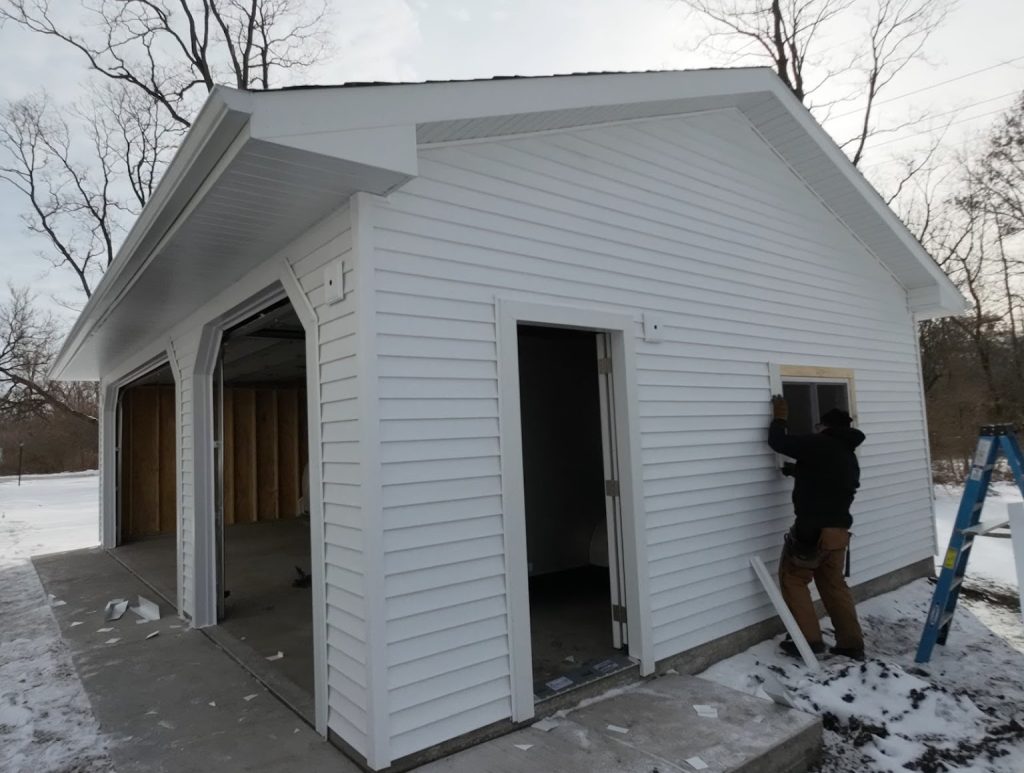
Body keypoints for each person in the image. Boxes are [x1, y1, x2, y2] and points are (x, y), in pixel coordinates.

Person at [768, 395, 866, 660]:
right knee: (834, 585)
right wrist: (798, 471)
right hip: (838, 533)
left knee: (794, 579)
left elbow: (778, 442)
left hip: (811, 531)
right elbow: (827, 478)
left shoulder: (821, 444)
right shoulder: (847, 454)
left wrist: (779, 418)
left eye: (819, 427)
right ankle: (851, 644)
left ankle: (807, 641)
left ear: (826, 427)